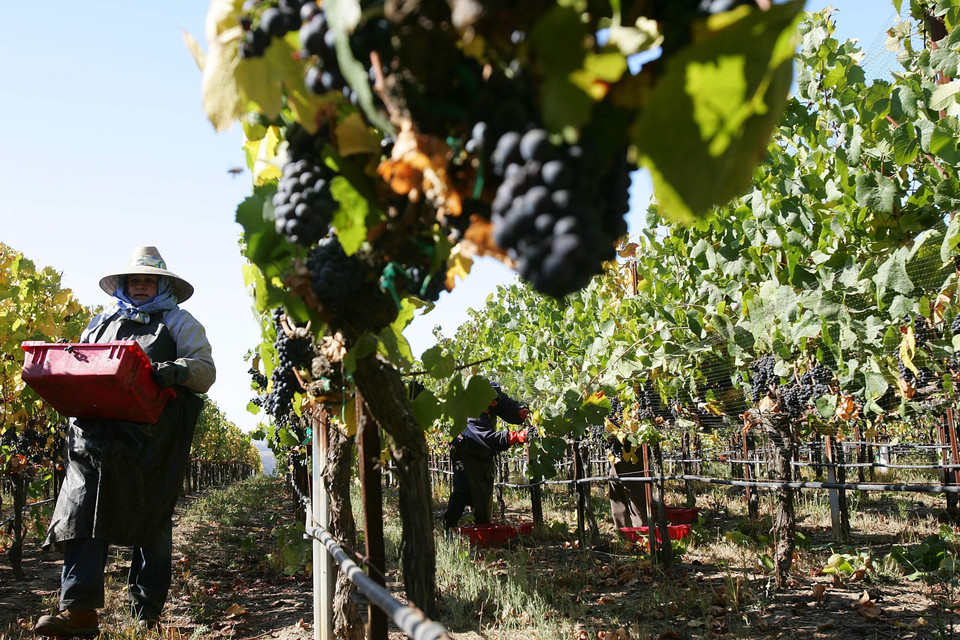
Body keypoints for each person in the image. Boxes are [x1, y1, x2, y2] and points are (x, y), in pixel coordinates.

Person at [34, 246, 215, 636]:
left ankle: (145, 612)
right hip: (94, 436)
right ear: (124, 284)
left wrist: (176, 370)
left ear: (162, 284)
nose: (141, 285)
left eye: (149, 279)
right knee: (81, 515)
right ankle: (78, 611)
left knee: (150, 518)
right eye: (135, 279)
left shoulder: (180, 323)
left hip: (149, 440)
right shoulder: (100, 321)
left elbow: (205, 370)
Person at [442, 379, 531, 530]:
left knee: (484, 488)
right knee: (462, 490)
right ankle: (448, 528)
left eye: (495, 402)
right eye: (490, 405)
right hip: (465, 451)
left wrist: (519, 411)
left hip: (483, 453)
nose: (494, 406)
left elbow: (506, 404)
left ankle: (483, 526)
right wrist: (515, 436)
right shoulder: (471, 412)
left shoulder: (492, 396)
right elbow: (489, 438)